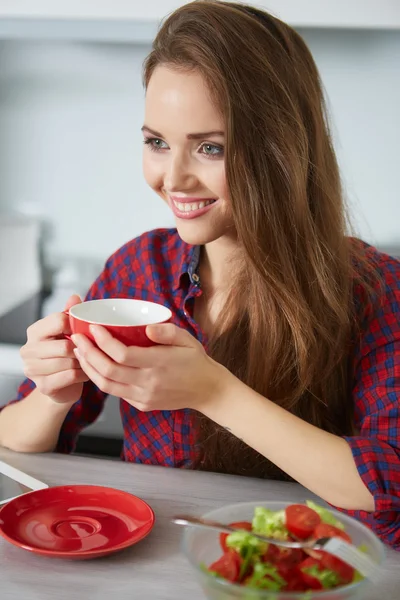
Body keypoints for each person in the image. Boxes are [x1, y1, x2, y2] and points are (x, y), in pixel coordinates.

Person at [0, 0, 399, 549]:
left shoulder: (373, 290)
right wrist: (52, 394)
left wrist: (215, 392)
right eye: (157, 143)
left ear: (282, 152)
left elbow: (389, 484)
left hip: (293, 575)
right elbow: (14, 444)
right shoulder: (140, 269)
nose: (174, 178)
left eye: (210, 148)